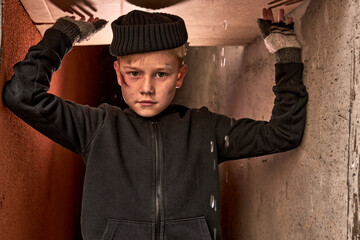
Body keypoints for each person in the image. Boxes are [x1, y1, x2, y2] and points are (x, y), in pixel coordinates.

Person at [2, 7, 307, 240]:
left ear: (180, 76)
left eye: (160, 74)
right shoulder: (97, 127)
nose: (146, 88)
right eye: (134, 73)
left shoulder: (205, 130)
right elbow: (22, 94)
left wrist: (287, 55)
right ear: (119, 75)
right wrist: (63, 36)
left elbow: (283, 133)